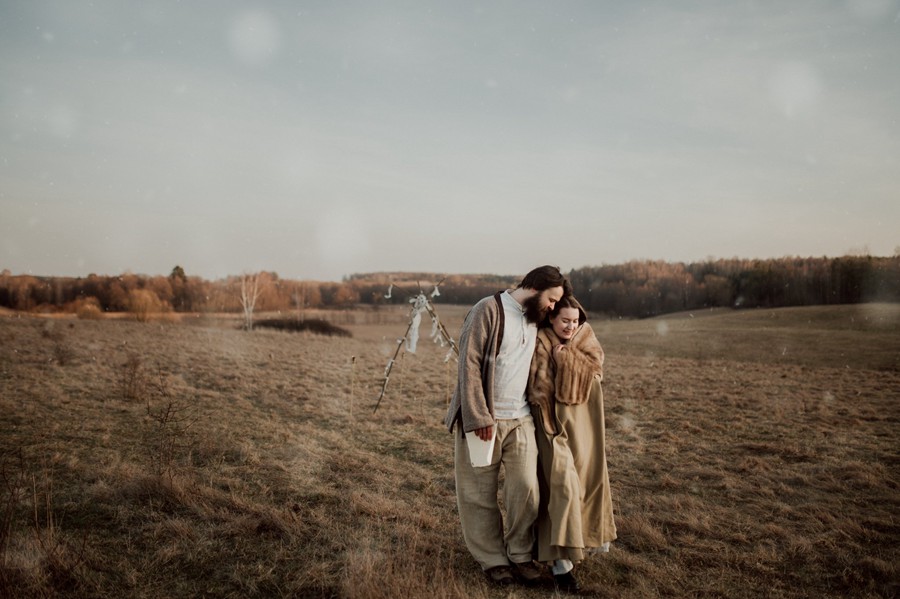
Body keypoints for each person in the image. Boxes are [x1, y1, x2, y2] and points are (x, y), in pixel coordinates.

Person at [444, 265, 569, 586]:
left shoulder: (534, 315)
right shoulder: (487, 309)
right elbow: (468, 363)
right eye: (552, 299)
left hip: (521, 419)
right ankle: (493, 560)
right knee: (478, 494)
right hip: (483, 419)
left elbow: (573, 322)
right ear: (535, 286)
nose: (553, 307)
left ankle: (520, 553)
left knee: (527, 490)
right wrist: (478, 417)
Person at [527, 295, 617, 593]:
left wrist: (565, 359)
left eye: (575, 321)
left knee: (585, 484)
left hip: (583, 423)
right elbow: (536, 384)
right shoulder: (540, 339)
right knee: (561, 486)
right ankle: (560, 566)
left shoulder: (585, 336)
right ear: (552, 318)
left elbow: (596, 368)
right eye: (565, 320)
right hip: (550, 423)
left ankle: (575, 548)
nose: (571, 326)